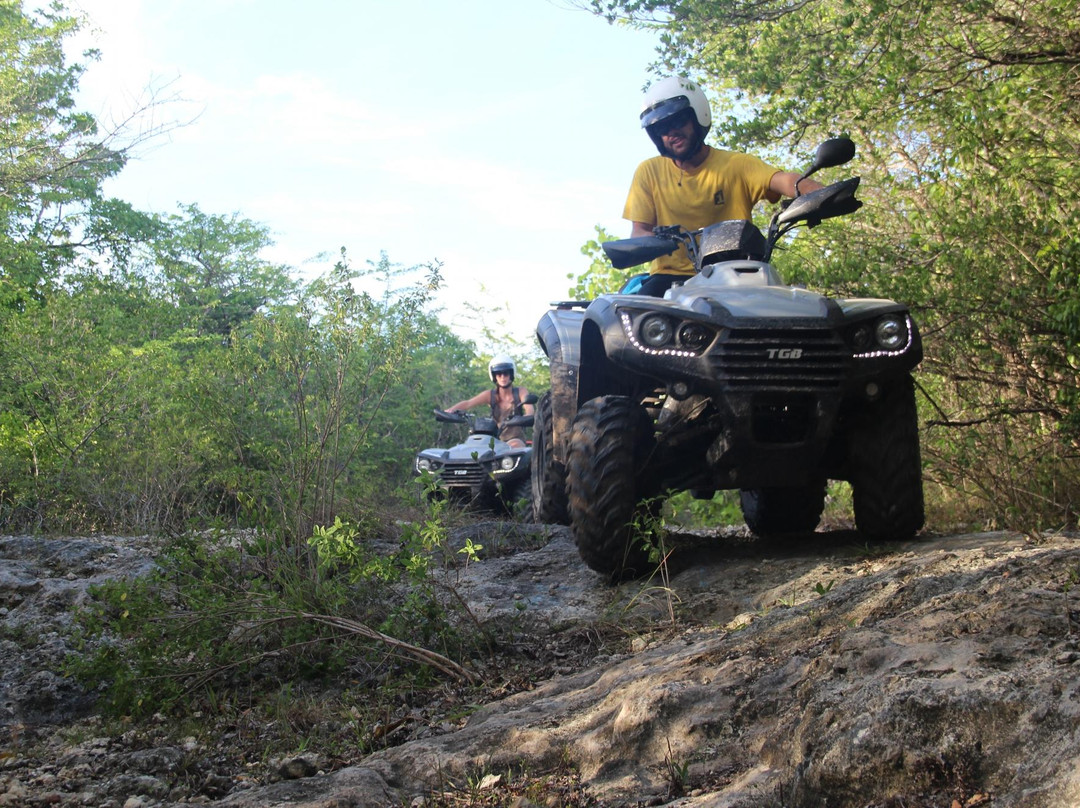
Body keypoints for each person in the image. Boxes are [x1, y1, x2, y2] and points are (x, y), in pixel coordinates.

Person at [624, 76, 825, 297]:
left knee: (798, 309)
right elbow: (639, 232)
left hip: (738, 276)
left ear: (697, 116)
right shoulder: (649, 172)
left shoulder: (736, 165)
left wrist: (821, 196)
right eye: (662, 128)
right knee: (626, 319)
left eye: (678, 121)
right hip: (671, 278)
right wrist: (659, 242)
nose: (671, 133)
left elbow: (785, 181)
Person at [446, 355, 534, 448]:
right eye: (499, 374)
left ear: (511, 375)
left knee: (515, 445)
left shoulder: (520, 391)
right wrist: (450, 411)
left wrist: (524, 418)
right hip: (493, 440)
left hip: (515, 439)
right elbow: (468, 403)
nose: (502, 377)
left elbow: (530, 410)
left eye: (506, 373)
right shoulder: (490, 395)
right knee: (470, 448)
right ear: (494, 376)